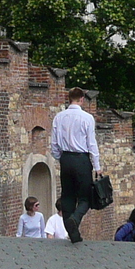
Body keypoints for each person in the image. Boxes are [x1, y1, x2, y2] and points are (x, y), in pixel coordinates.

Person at [50, 87, 101, 243]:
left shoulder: (59, 117)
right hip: (82, 159)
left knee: (67, 196)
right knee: (85, 198)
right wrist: (97, 166)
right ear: (82, 99)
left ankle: (74, 234)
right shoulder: (87, 118)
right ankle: (75, 219)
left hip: (66, 158)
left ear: (69, 98)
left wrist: (61, 158)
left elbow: (54, 144)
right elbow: (91, 144)